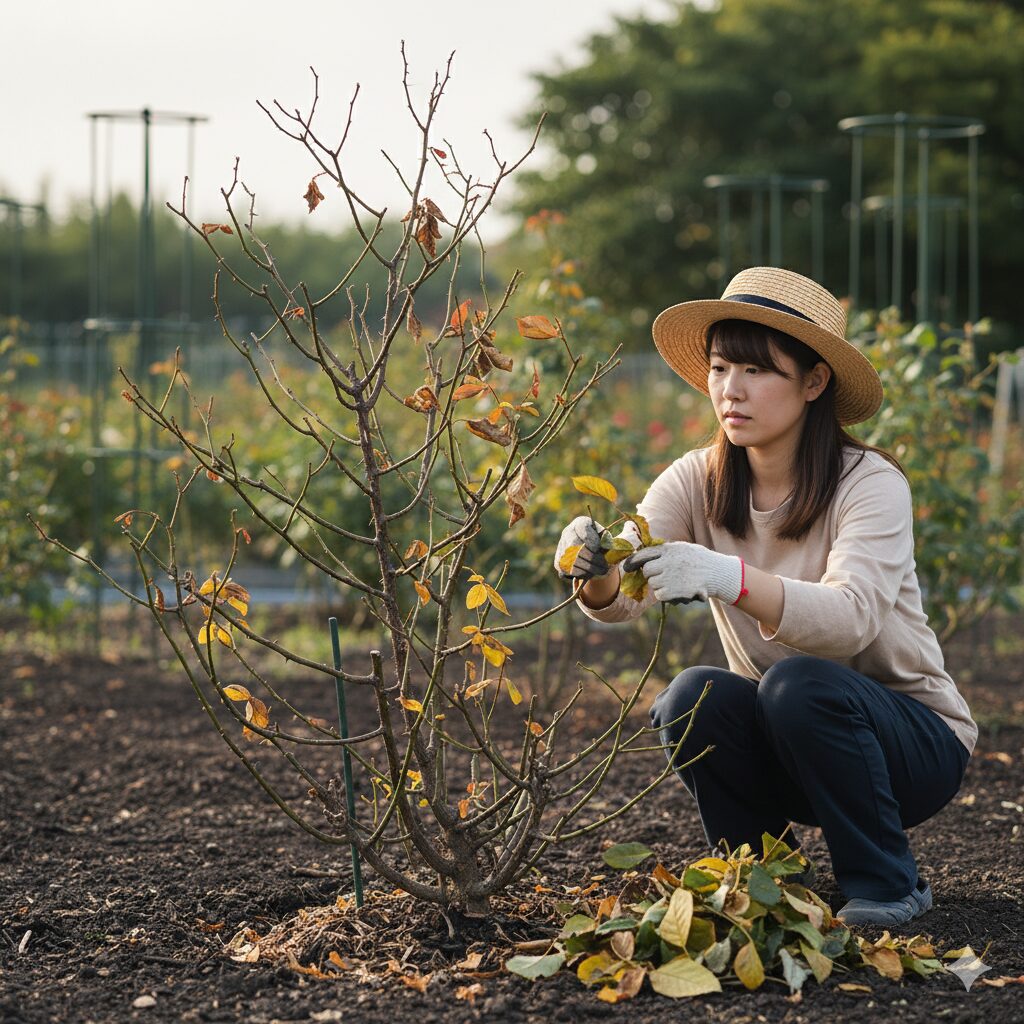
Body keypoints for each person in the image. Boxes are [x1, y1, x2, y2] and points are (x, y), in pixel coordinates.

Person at [553, 266, 975, 927]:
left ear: (814, 382)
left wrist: (731, 577)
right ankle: (764, 879)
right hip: (792, 741)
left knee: (799, 684)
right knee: (690, 696)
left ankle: (888, 885)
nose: (732, 390)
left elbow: (851, 622)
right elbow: (626, 587)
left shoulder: (870, 484)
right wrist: (593, 562)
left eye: (758, 371)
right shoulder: (697, 478)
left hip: (908, 747)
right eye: (721, 369)